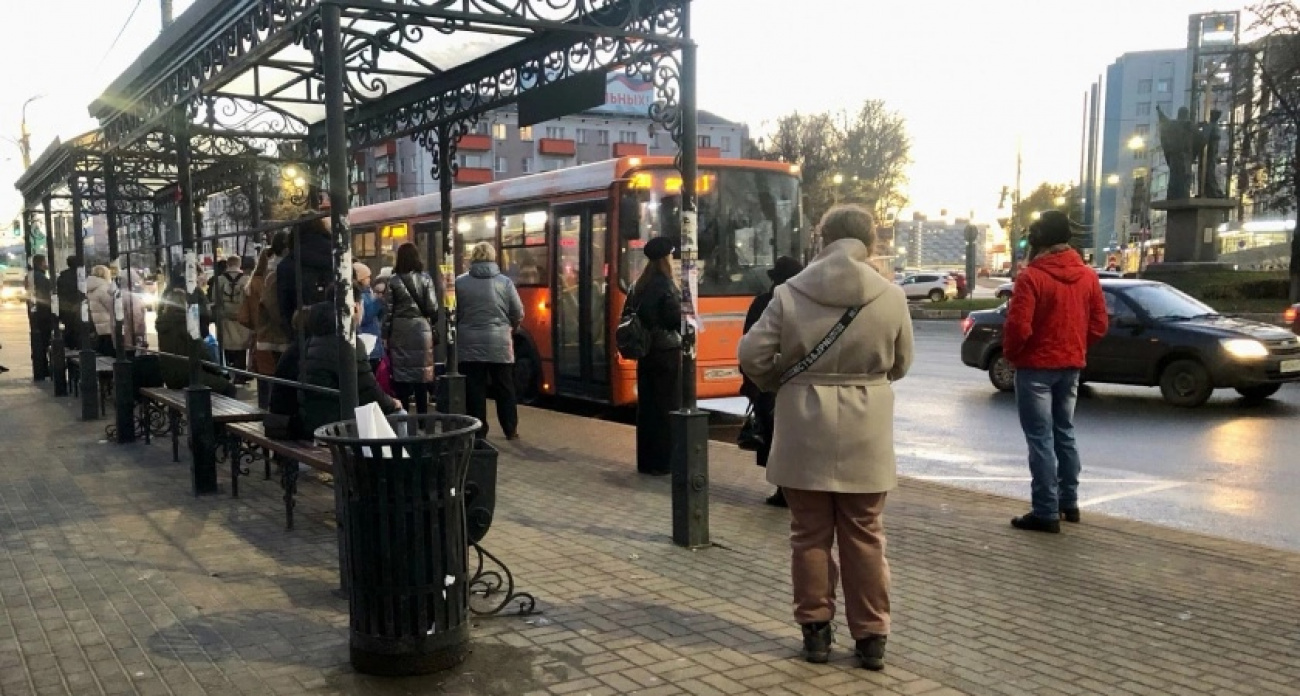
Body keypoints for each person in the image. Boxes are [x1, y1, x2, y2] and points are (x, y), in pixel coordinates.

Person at [738, 204, 914, 671]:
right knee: (865, 535)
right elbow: (901, 363)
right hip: (866, 429)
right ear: (869, 243)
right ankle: (872, 636)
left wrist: (781, 381)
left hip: (803, 426)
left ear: (822, 239)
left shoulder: (789, 293)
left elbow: (750, 353)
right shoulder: (890, 296)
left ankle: (815, 632)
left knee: (809, 534)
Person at [1002, 210, 1108, 534]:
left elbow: (1019, 326)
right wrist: (1076, 346)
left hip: (1035, 367)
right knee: (1065, 432)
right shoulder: (1088, 276)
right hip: (1071, 365)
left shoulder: (1031, 277)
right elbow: (1099, 324)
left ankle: (1045, 511)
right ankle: (1068, 503)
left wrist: (1012, 355)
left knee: (1040, 439)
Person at [267, 294, 402, 440]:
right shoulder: (345, 346)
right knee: (399, 416)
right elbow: (368, 390)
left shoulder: (305, 346)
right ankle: (400, 461)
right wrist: (392, 404)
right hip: (326, 426)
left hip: (298, 420)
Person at [741, 255, 804, 507]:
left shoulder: (763, 303)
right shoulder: (803, 304)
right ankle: (794, 488)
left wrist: (751, 382)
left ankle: (783, 488)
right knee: (792, 436)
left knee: (774, 436)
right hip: (797, 382)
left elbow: (748, 345)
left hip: (768, 382)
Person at [455, 242, 525, 441]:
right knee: (504, 387)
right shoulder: (505, 282)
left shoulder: (460, 283)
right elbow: (518, 312)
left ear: (473, 258)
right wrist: (510, 327)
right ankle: (510, 428)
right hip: (499, 341)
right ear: (494, 257)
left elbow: (453, 313)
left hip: (469, 342)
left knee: (475, 388)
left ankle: (479, 431)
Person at [627, 236, 682, 476]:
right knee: (666, 407)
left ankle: (647, 460)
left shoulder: (641, 284)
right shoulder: (665, 285)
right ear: (665, 258)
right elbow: (672, 319)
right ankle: (663, 461)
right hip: (666, 352)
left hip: (647, 352)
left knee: (648, 407)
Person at [155, 264, 236, 397]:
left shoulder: (163, 323)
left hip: (170, 375)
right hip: (187, 375)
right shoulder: (187, 324)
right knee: (228, 388)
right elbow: (202, 353)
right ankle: (210, 416)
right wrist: (219, 372)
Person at [382, 242, 440, 416]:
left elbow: (388, 311)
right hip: (421, 330)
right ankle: (422, 418)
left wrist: (385, 334)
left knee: (401, 376)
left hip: (400, 331)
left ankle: (404, 417)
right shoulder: (426, 278)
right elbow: (432, 307)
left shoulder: (393, 280)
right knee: (421, 377)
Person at [276, 217, 335, 338]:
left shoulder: (287, 264)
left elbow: (284, 305)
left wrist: (291, 334)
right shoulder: (338, 255)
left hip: (303, 331)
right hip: (335, 327)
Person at [215, 255, 252, 380]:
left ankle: (228, 373)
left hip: (225, 320)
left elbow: (215, 300)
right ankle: (241, 375)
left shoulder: (219, 280)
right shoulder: (246, 280)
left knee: (226, 347)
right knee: (241, 348)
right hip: (241, 320)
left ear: (228, 265)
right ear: (239, 264)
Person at [354, 262, 385, 373]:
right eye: (367, 277)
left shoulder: (369, 292)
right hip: (368, 341)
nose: (369, 280)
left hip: (373, 340)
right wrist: (378, 302)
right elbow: (365, 317)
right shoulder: (360, 295)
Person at [26, 255, 54, 380]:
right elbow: (46, 296)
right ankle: (43, 369)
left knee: (39, 342)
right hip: (43, 315)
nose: (47, 264)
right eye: (45, 262)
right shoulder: (40, 277)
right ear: (41, 263)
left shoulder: (31, 276)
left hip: (36, 314)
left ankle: (42, 368)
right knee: (43, 342)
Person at [85, 265, 118, 357]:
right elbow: (111, 306)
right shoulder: (103, 288)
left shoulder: (90, 288)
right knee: (111, 354)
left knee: (103, 352)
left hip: (98, 326)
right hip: (107, 325)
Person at [56, 256, 84, 349]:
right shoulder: (81, 276)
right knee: (80, 327)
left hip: (65, 307)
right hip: (78, 306)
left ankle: (69, 345)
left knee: (68, 327)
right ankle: (79, 346)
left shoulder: (62, 277)